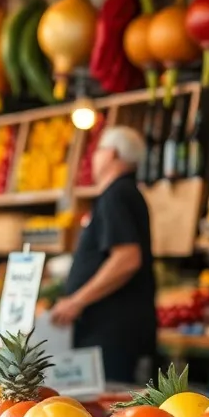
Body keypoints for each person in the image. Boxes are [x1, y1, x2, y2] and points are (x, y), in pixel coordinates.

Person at [50, 126, 157, 383]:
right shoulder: (125, 193)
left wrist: (77, 301)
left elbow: (127, 258)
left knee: (111, 411)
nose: (94, 157)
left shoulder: (116, 195)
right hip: (119, 331)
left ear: (111, 154)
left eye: (98, 150)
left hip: (112, 334)